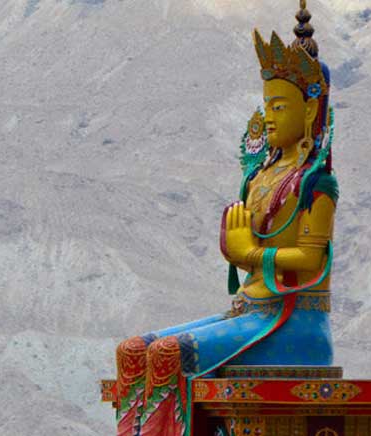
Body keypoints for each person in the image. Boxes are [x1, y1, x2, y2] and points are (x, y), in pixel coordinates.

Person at [115, 2, 339, 435]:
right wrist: (237, 251)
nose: (270, 117)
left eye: (281, 107)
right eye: (267, 106)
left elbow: (311, 262)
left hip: (292, 322)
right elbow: (243, 256)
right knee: (133, 351)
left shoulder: (316, 184)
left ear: (310, 111)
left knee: (166, 354)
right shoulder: (260, 177)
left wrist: (253, 253)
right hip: (248, 313)